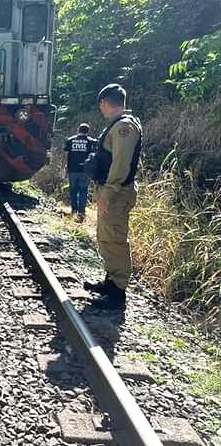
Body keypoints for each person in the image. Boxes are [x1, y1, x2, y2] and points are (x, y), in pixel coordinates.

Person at [83, 84, 143, 310]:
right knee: (106, 237)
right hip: (112, 191)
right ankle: (110, 282)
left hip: (116, 193)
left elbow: (120, 164)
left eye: (101, 105)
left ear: (105, 103)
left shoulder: (124, 127)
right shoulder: (120, 125)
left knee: (115, 240)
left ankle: (117, 293)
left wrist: (107, 194)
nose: (101, 108)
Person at [63, 123, 97, 221]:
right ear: (88, 131)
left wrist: (64, 168)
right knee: (83, 190)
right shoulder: (91, 141)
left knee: (73, 190)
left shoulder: (70, 140)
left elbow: (65, 155)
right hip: (85, 171)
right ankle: (81, 212)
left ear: (78, 130)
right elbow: (94, 157)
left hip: (72, 169)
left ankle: (74, 210)